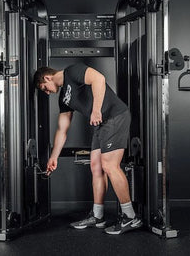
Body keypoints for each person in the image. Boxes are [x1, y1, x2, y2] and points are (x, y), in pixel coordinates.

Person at [33, 63, 142, 235]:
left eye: (44, 88)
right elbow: (62, 129)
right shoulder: (64, 98)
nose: (47, 92)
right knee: (96, 167)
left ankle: (130, 217)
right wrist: (54, 157)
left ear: (47, 78)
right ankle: (98, 216)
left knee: (110, 166)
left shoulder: (71, 71)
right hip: (102, 124)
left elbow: (99, 79)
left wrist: (96, 110)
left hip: (115, 116)